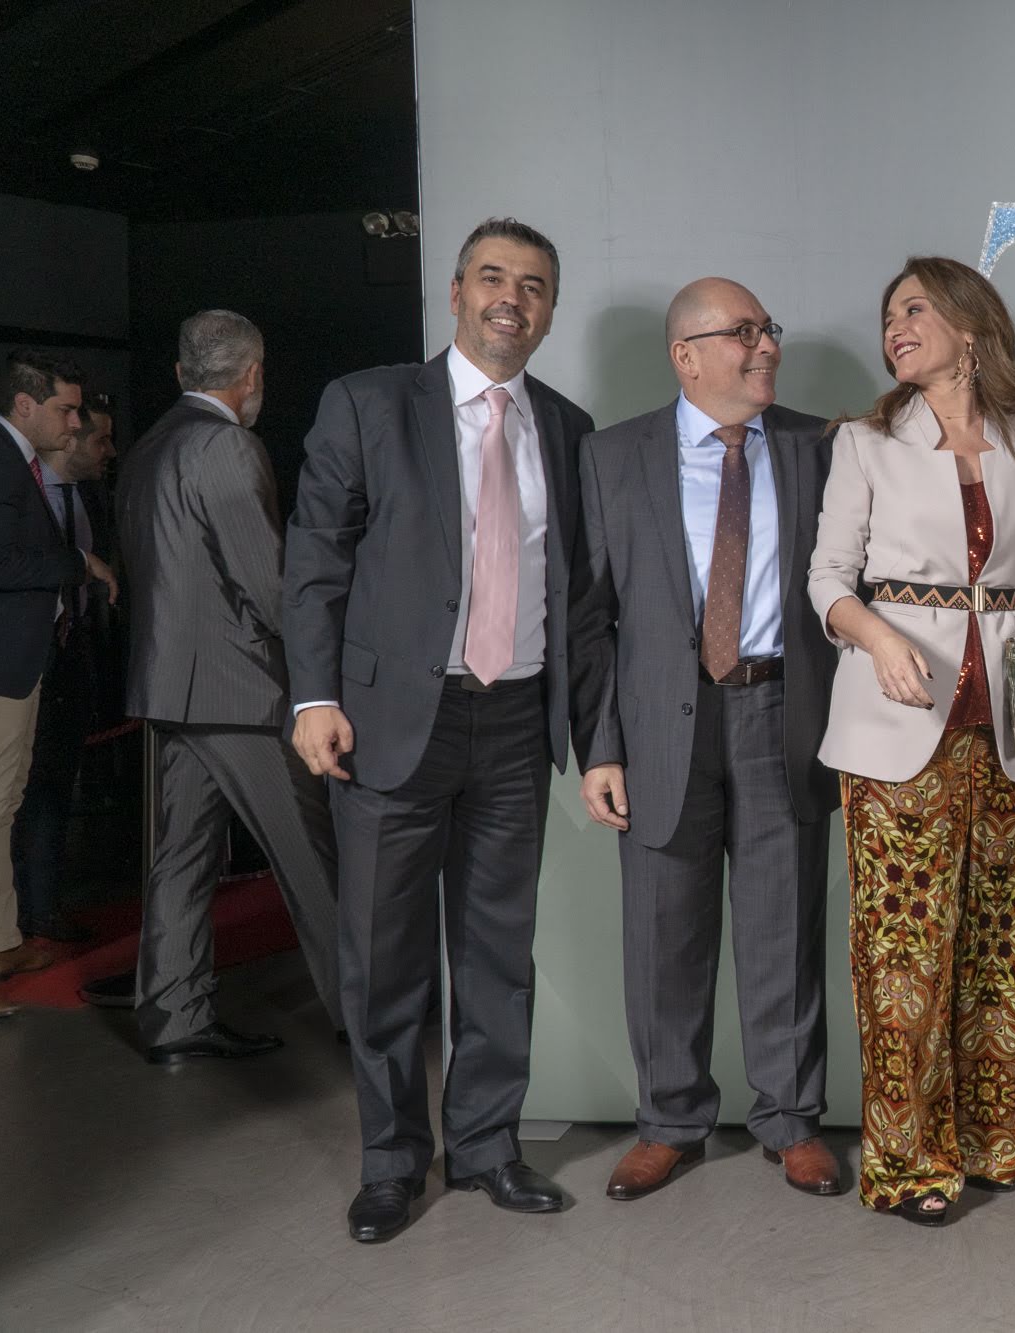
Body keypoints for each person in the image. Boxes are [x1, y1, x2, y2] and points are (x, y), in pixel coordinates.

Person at [284, 218, 595, 1244]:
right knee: (384, 958)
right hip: (387, 722)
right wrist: (313, 697)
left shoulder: (568, 426)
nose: (513, 298)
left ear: (550, 309)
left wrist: (593, 731)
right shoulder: (370, 403)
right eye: (494, 277)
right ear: (456, 291)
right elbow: (316, 558)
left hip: (515, 719)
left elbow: (579, 595)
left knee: (499, 953)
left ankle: (489, 1146)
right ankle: (389, 1162)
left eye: (534, 285)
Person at [809, 256, 1015, 1225]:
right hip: (894, 730)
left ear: (970, 329)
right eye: (888, 313)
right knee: (903, 953)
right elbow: (826, 578)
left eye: (915, 308)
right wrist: (878, 636)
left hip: (1004, 731)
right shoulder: (865, 443)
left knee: (996, 943)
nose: (895, 325)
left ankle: (990, 1142)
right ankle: (905, 1164)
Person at [569, 278, 843, 1202]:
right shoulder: (612, 457)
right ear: (685, 355)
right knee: (663, 936)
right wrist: (601, 746)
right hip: (659, 724)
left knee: (784, 929)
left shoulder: (818, 446)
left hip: (781, 715)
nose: (766, 346)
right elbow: (589, 619)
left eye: (770, 329)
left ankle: (791, 1121)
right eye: (743, 332)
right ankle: (669, 1121)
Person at [116, 311, 341, 1063]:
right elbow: (268, 586)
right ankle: (373, 1014)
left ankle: (175, 1018)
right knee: (312, 860)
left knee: (181, 859)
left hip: (171, 689)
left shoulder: (150, 444)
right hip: (239, 691)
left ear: (182, 372)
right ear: (252, 375)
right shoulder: (226, 445)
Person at [0, 351, 116, 1015]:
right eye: (66, 409)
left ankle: (1, 941)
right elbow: (1, 561)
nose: (75, 423)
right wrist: (78, 562)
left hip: (22, 662)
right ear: (24, 404)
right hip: (4, 664)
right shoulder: (1, 459)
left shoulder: (17, 461)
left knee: (5, 803)